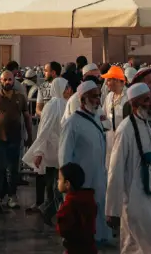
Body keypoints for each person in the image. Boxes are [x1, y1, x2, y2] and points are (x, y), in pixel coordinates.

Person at [106, 82, 151, 254]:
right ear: (134, 104)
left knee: (135, 248)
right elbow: (116, 170)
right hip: (136, 201)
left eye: (150, 99)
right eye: (146, 100)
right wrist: (112, 210)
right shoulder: (125, 130)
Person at [59, 81, 109, 244]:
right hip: (81, 183)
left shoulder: (95, 119)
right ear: (83, 99)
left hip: (98, 178)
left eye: (98, 96)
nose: (98, 100)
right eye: (94, 96)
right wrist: (67, 183)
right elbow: (64, 156)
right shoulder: (72, 123)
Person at [0, 68, 32, 211]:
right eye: (4, 79)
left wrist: (30, 136)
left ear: (14, 81)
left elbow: (27, 117)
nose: (7, 82)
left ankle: (12, 196)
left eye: (10, 79)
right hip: (0, 138)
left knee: (13, 169)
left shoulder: (20, 98)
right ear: (0, 81)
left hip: (15, 138)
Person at [24, 76, 69, 222]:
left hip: (60, 150)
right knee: (52, 184)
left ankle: (52, 210)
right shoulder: (52, 105)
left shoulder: (65, 103)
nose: (69, 90)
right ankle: (49, 210)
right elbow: (44, 130)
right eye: (66, 87)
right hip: (51, 151)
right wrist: (39, 152)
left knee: (57, 184)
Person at [57, 162, 97, 254]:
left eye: (59, 179)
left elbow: (63, 229)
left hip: (74, 248)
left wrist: (60, 213)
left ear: (67, 184)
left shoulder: (70, 204)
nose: (57, 182)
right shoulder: (88, 198)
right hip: (89, 247)